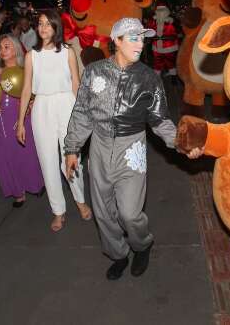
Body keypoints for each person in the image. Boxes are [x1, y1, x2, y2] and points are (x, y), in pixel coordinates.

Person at [64, 18, 198, 281]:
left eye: (142, 38)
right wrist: (72, 148)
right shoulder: (94, 72)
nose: (140, 44)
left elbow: (160, 121)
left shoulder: (149, 78)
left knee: (130, 213)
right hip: (99, 147)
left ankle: (142, 244)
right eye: (134, 38)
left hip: (131, 147)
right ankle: (118, 254)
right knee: (103, 213)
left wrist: (181, 144)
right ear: (117, 40)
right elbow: (82, 112)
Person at [16, 10, 92, 231]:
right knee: (47, 161)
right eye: (40, 24)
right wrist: (20, 121)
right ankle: (58, 210)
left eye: (48, 24)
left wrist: (84, 113)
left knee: (72, 156)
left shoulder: (67, 51)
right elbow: (26, 89)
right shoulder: (31, 55)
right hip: (42, 107)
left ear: (56, 27)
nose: (43, 28)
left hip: (67, 104)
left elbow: (76, 83)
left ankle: (80, 200)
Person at [0, 35, 44, 207]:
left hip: (24, 116)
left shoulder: (26, 69)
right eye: (0, 47)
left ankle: (34, 183)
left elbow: (37, 90)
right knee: (5, 154)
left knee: (28, 151)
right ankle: (17, 191)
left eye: (7, 47)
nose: (2, 51)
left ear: (16, 49)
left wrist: (33, 102)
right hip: (2, 119)